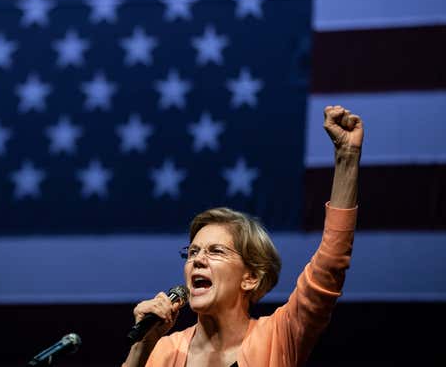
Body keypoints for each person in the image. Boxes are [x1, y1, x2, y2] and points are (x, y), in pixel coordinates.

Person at [123, 105, 363, 367]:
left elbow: (330, 263)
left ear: (250, 277)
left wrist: (347, 157)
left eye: (215, 251)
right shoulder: (164, 351)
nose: (198, 260)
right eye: (192, 252)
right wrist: (141, 347)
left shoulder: (278, 337)